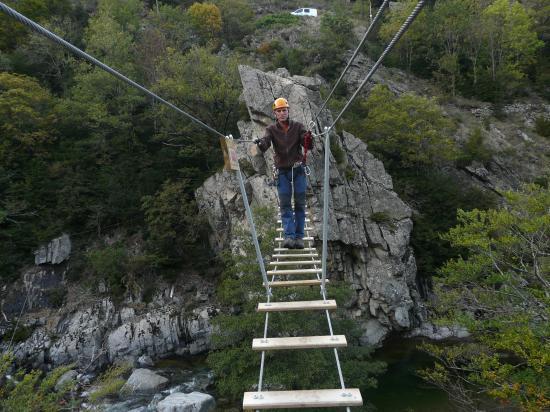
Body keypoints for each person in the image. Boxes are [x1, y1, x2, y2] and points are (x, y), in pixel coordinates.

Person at [255, 97, 312, 249]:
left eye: (284, 110)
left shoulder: (298, 127)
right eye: (279, 111)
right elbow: (266, 143)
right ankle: (289, 236)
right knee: (286, 204)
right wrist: (260, 144)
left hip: (297, 169)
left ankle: (299, 237)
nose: (282, 113)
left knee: (300, 204)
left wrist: (308, 138)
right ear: (275, 114)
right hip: (282, 171)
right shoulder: (271, 130)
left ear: (288, 111)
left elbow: (308, 145)